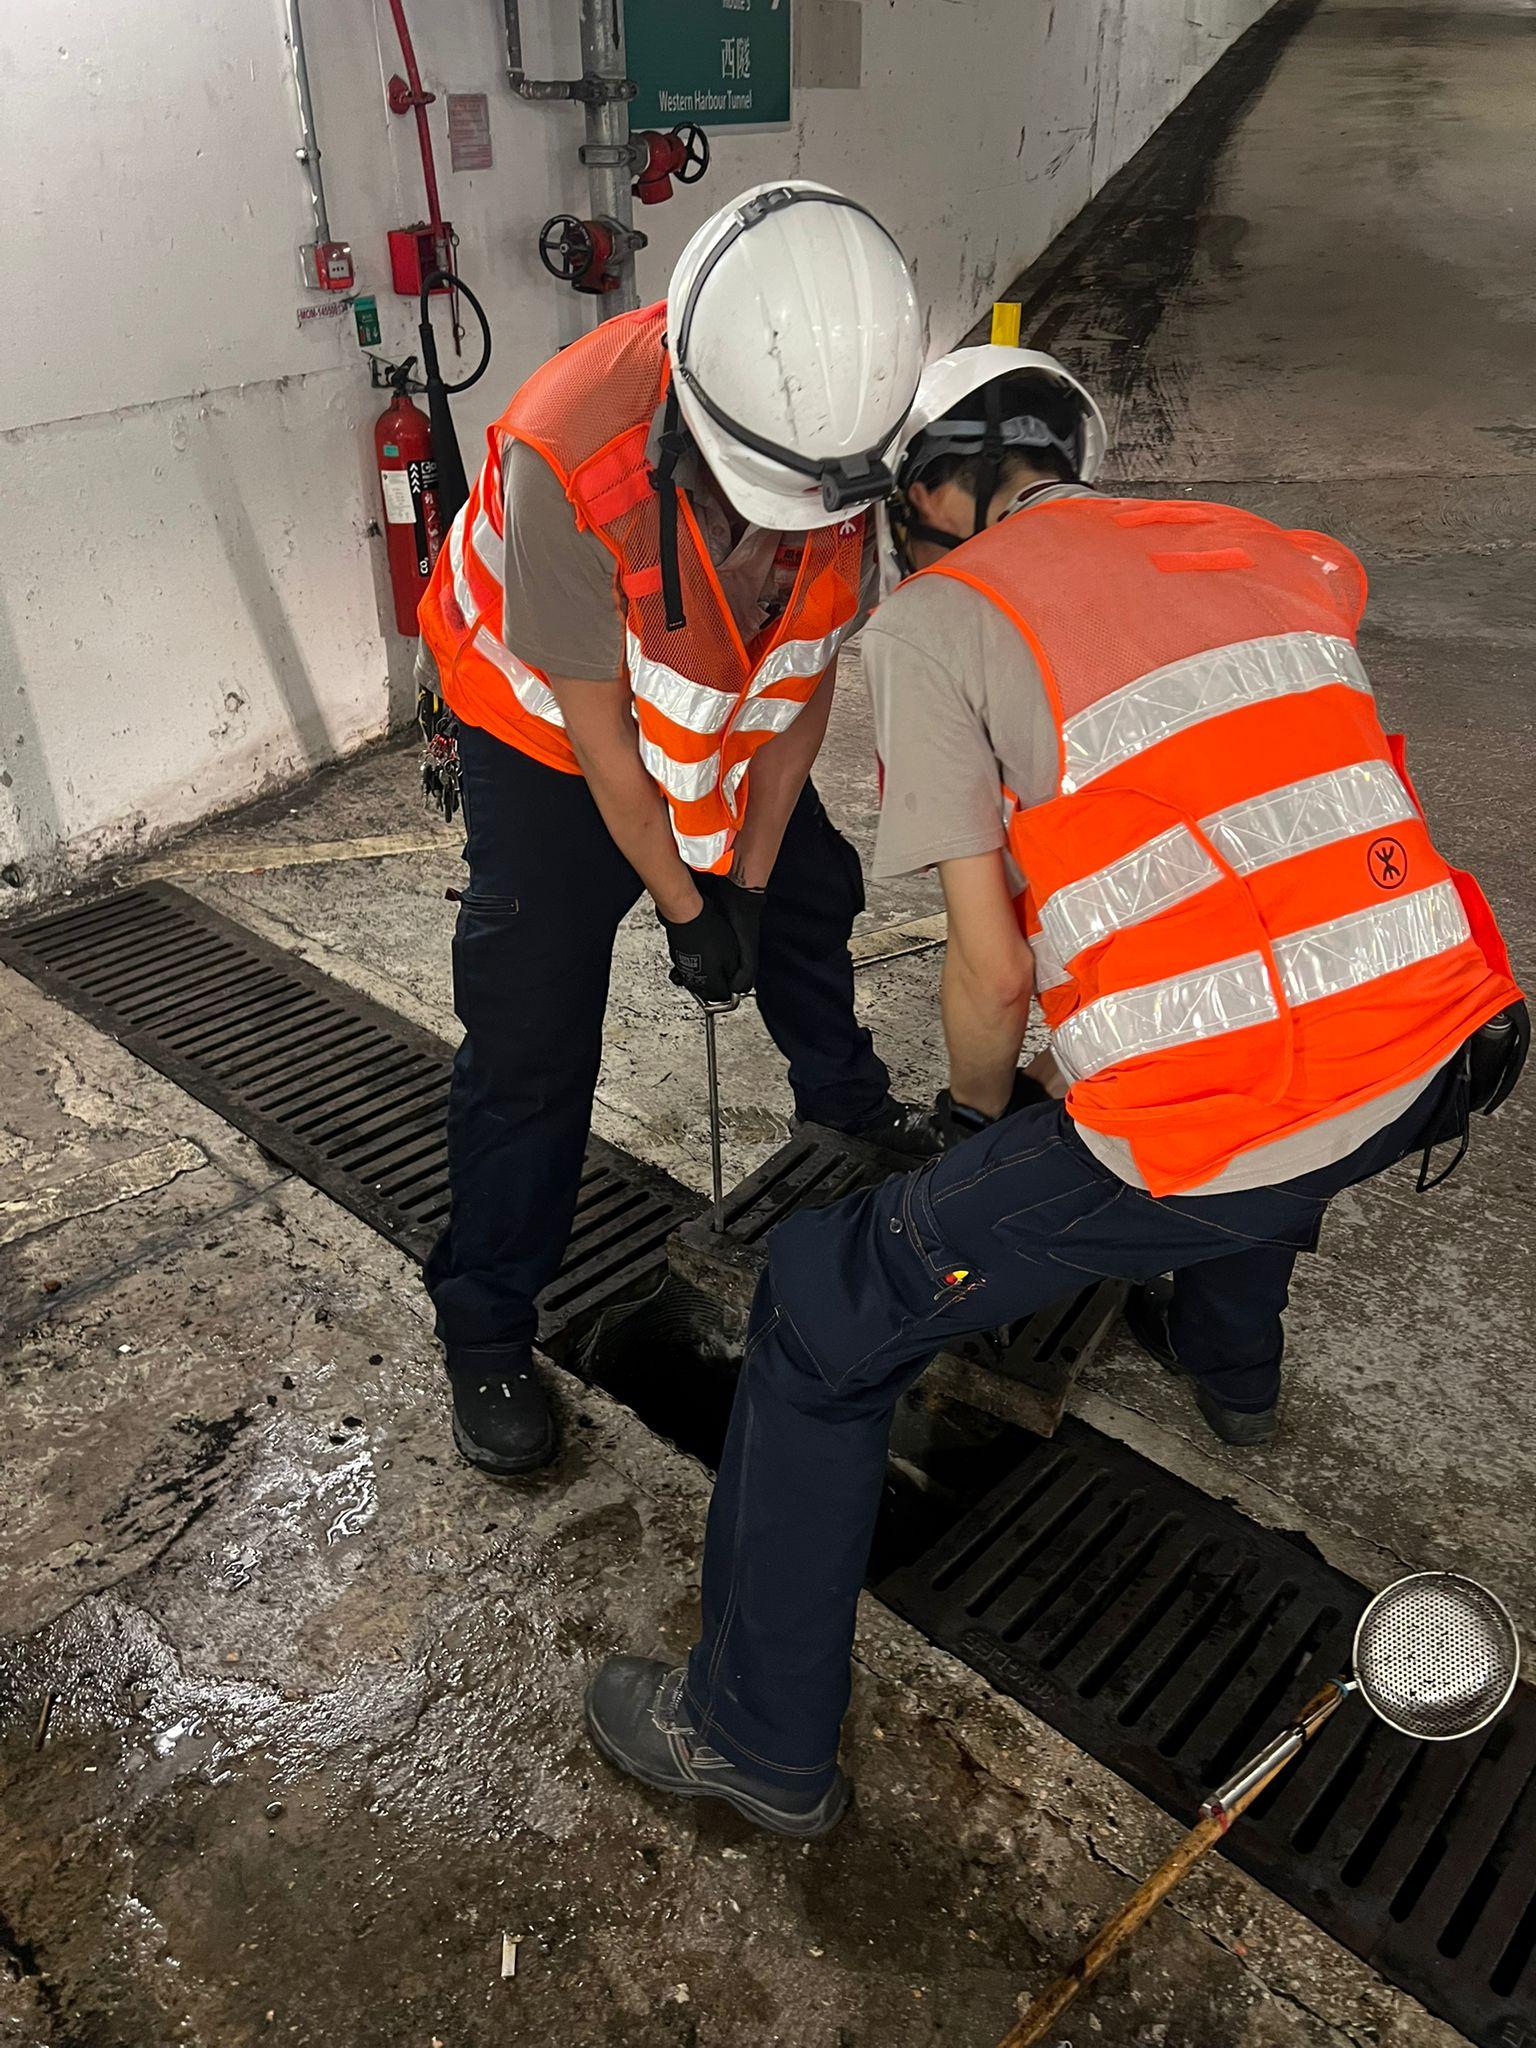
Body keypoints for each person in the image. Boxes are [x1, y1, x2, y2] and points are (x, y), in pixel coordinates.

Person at [583, 345, 1527, 1837]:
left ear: (941, 487)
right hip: (1438, 1047)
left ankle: (752, 1736)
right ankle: (1236, 1378)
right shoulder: (1261, 551)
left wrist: (966, 1142)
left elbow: (992, 973)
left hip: (1231, 1115)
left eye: (901, 502)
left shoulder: (944, 624)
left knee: (832, 1305)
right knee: (1257, 1074)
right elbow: (1252, 878)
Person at [415, 184, 937, 1477]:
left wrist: (748, 879)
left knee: (813, 891)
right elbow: (602, 744)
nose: (784, 530)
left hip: (714, 724)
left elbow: (805, 677)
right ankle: (485, 1326)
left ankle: (849, 1108)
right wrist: (687, 907)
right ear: (700, 418)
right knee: (530, 1034)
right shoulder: (565, 456)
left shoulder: (844, 434)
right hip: (543, 735)